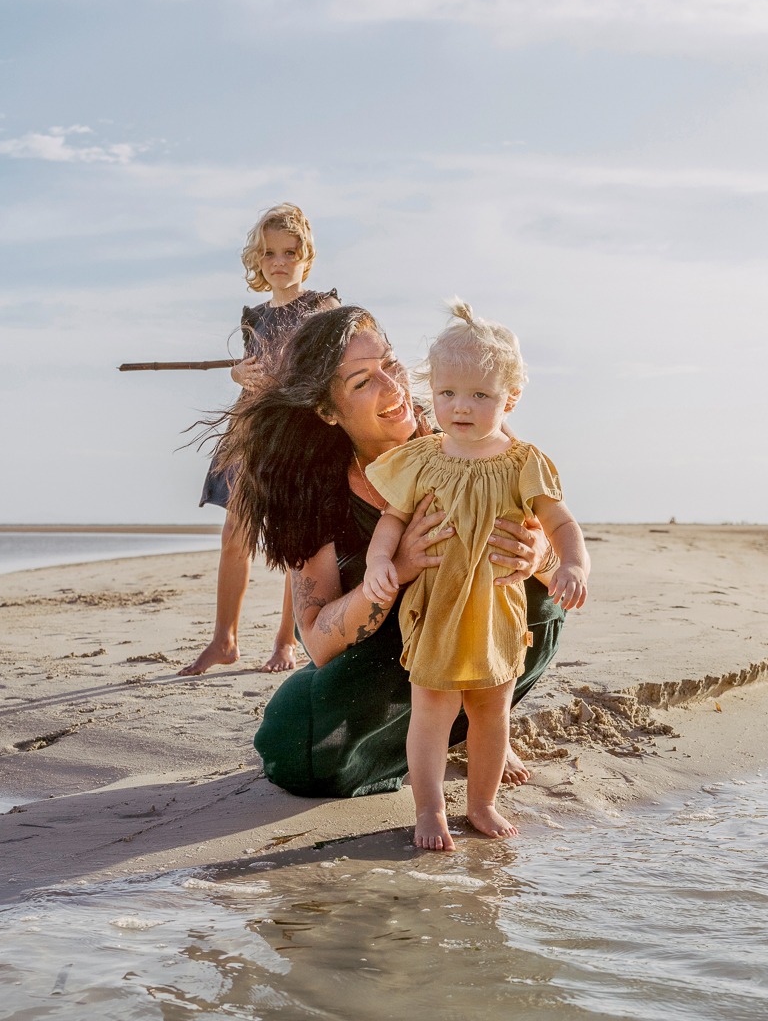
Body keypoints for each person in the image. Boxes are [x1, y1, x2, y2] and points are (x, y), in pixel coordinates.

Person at [217, 304, 568, 805]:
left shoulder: (464, 434)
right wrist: (398, 566)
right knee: (301, 745)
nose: (393, 386)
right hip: (377, 648)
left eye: (390, 363)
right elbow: (317, 640)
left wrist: (540, 557)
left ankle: (479, 725)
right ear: (328, 411)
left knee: (541, 607)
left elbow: (554, 536)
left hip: (481, 628)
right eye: (362, 381)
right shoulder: (309, 487)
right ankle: (435, 736)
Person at [361, 302, 589, 849]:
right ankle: (430, 810)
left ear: (509, 399)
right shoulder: (421, 458)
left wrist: (575, 563)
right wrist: (377, 564)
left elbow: (560, 521)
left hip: (496, 611)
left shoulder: (521, 462)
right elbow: (391, 520)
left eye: (480, 395)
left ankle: (483, 804)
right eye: (447, 393)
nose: (461, 406)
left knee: (492, 711)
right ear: (431, 392)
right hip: (436, 608)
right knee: (432, 712)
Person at [182, 203, 339, 676]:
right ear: (258, 259)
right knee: (235, 535)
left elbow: (330, 368)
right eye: (270, 253)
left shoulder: (321, 307)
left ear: (305, 255)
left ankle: (286, 641)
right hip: (250, 431)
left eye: (290, 252)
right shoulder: (254, 314)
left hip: (297, 435)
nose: (280, 262)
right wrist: (236, 373)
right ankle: (224, 640)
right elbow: (252, 370)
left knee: (295, 545)